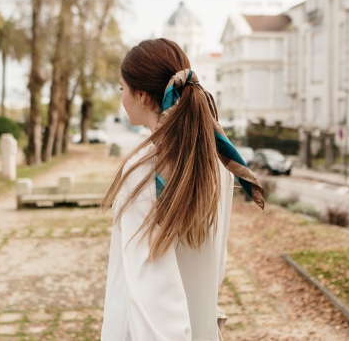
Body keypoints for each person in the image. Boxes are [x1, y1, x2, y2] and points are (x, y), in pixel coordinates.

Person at [101, 38, 264, 341]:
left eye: (122, 89)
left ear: (140, 95)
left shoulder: (142, 170)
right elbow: (215, 264)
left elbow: (152, 296)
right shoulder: (216, 160)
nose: (122, 98)